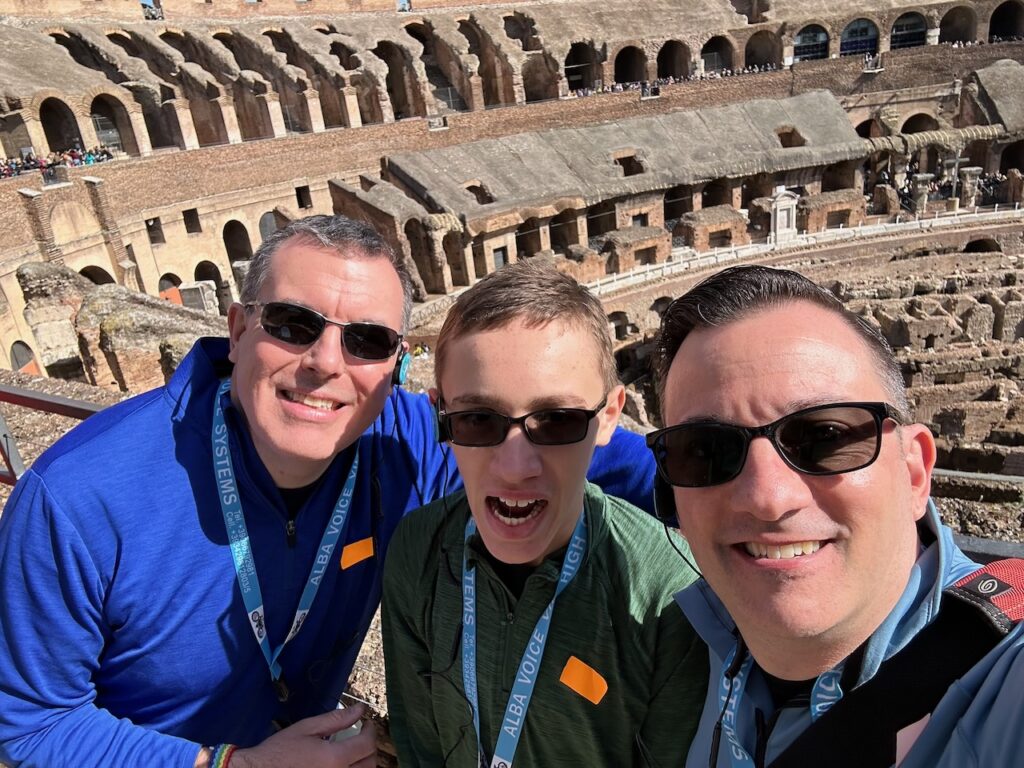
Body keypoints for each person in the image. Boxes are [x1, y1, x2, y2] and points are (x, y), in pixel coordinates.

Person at [0, 215, 656, 768]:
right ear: (237, 329)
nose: (326, 363)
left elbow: (587, 446)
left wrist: (724, 487)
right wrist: (233, 765)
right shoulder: (80, 499)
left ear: (395, 367)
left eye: (367, 341)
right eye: (292, 323)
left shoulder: (406, 442)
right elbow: (28, 722)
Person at [646, 264, 1024, 767]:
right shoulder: (687, 649)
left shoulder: (1008, 686)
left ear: (914, 473)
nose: (768, 497)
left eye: (824, 437)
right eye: (705, 450)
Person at [382, 260, 707, 767]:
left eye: (556, 421)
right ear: (440, 416)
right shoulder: (415, 551)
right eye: (476, 420)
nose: (515, 468)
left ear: (609, 417)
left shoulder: (673, 597)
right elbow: (420, 746)